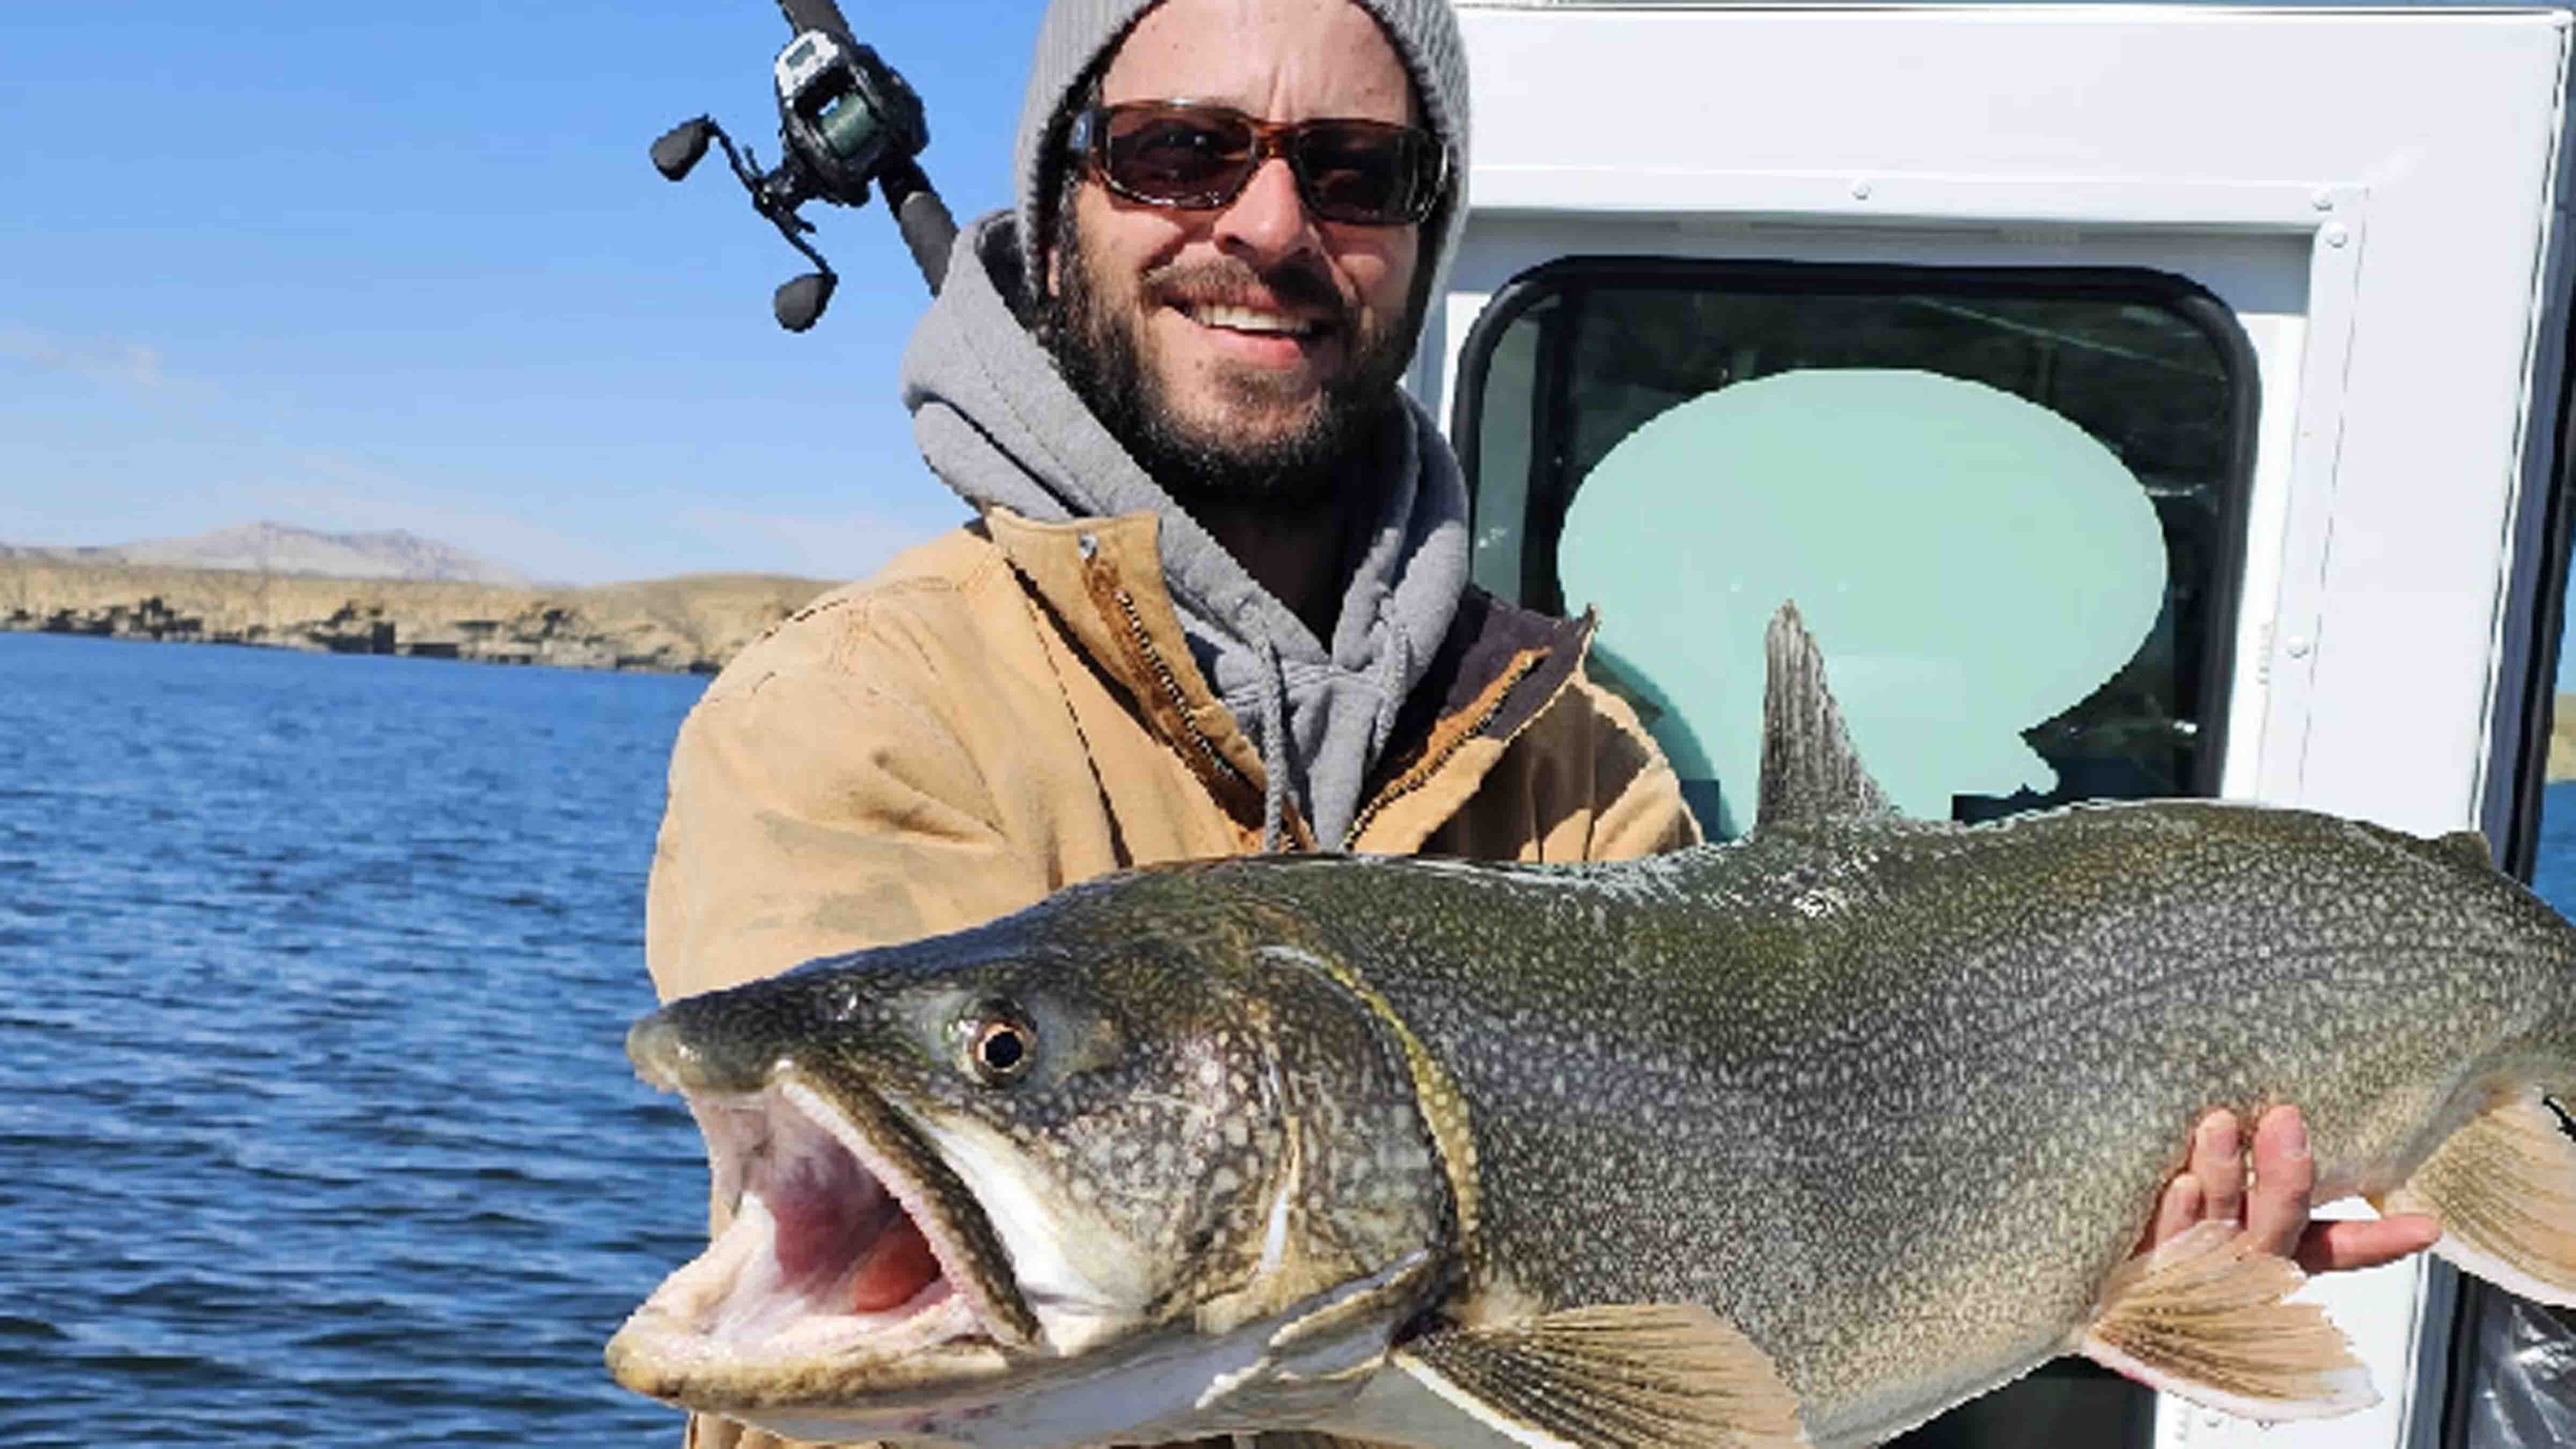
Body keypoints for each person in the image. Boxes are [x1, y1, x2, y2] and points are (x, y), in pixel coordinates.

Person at [642, 1, 2436, 1445]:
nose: (1267, 226)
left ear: (1423, 239)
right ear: (1057, 217)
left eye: (1354, 170)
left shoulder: (1572, 743)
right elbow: (878, 1403)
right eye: (1180, 151)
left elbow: (1729, 1355)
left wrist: (2092, 1270)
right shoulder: (851, 719)